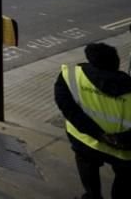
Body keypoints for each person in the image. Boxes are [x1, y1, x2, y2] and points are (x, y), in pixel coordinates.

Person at [54, 42, 131, 199]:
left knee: (87, 168)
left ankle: (92, 195)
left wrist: (96, 133)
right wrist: (117, 139)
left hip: (85, 140)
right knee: (125, 177)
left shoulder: (71, 76)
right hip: (123, 149)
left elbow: (67, 107)